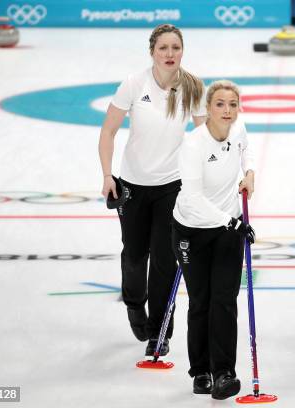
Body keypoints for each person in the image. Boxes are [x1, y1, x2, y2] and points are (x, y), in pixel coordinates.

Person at [98, 24, 207, 358]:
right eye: (163, 48)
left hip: (171, 188)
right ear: (152, 52)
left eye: (175, 47)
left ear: (182, 51)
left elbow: (205, 137)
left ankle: (160, 331)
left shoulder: (192, 87)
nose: (170, 54)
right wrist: (107, 176)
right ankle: (134, 303)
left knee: (165, 260)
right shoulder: (134, 83)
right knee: (134, 254)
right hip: (131, 186)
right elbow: (108, 132)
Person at [171, 80, 255, 399]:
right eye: (220, 104)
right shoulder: (194, 145)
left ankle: (224, 372)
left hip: (226, 229)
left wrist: (249, 174)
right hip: (192, 231)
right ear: (208, 108)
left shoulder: (238, 130)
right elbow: (192, 199)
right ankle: (201, 371)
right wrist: (230, 222)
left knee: (224, 300)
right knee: (201, 300)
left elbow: (247, 152)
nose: (227, 110)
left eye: (232, 104)